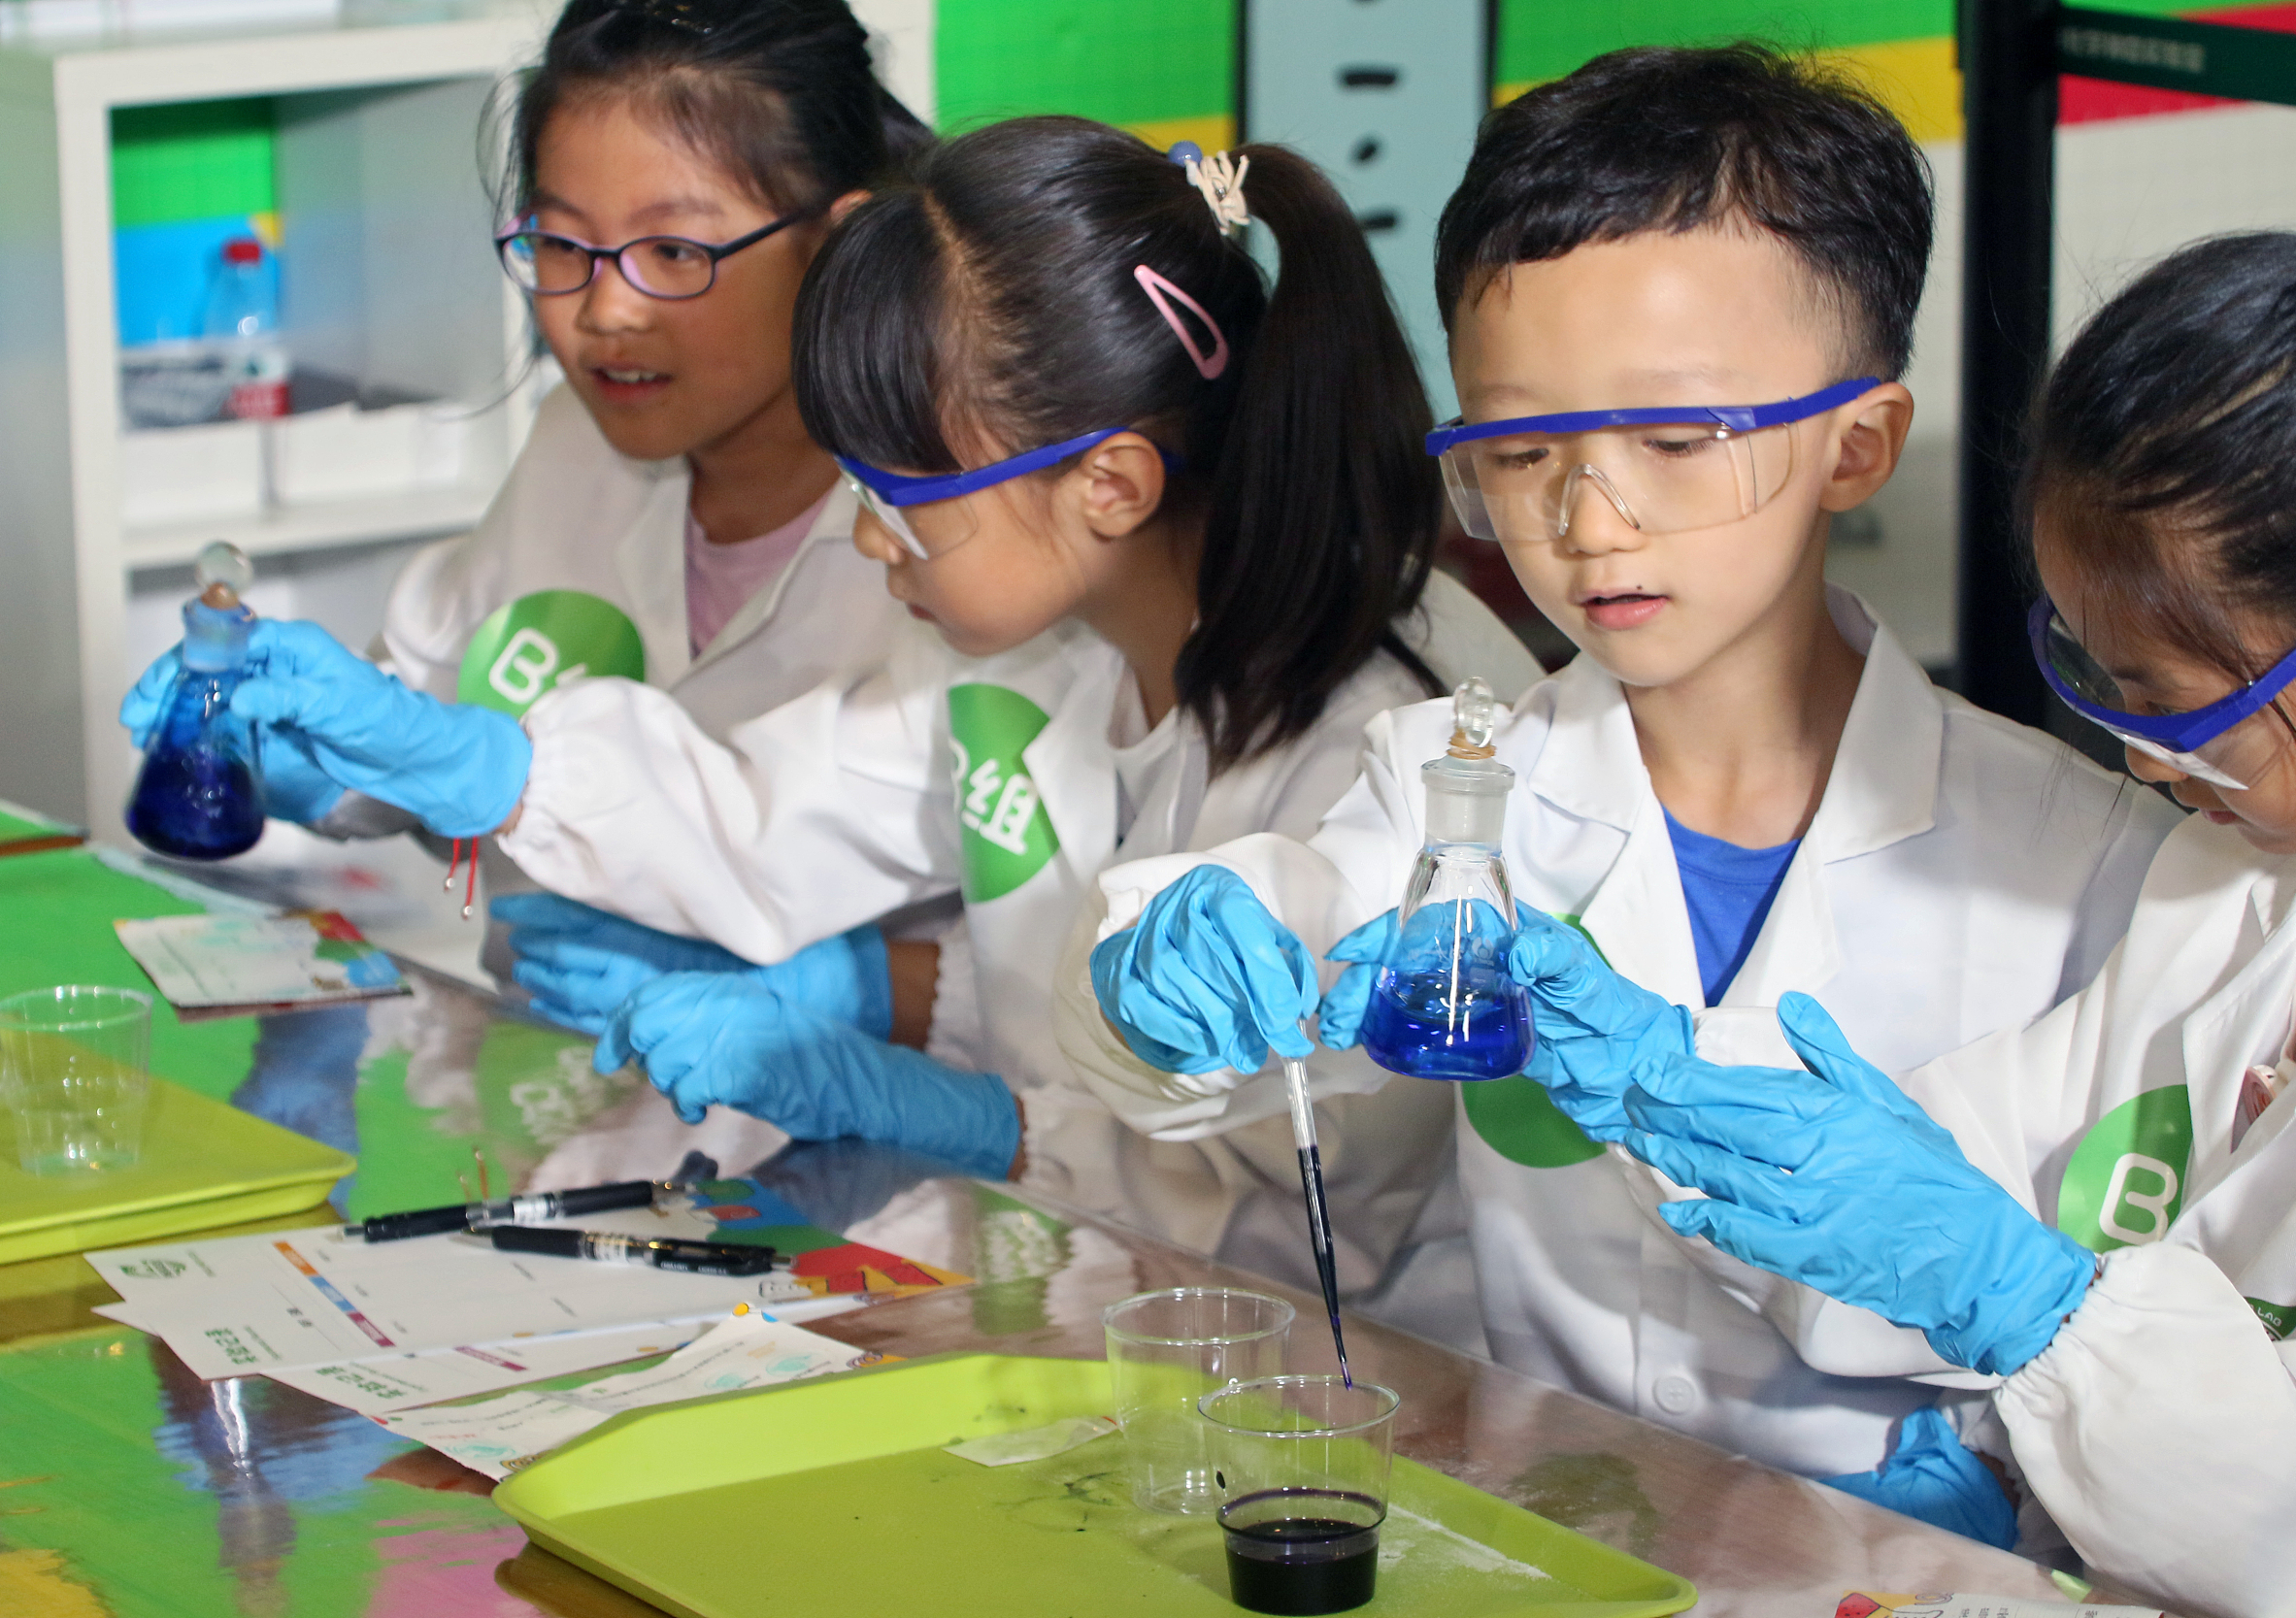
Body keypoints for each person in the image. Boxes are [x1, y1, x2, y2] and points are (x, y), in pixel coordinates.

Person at [1074, 45, 2179, 1544]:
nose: (1590, 520)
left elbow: (2129, 1297)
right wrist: (1189, 953)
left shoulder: (2086, 858)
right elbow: (1314, 897)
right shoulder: (1452, 783)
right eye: (1521, 449)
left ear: (1857, 443)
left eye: (1674, 440)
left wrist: (2011, 1480)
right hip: (1559, 1539)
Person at [162, 117, 1539, 1291]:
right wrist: (451, 756)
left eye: (901, 498)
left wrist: (955, 1108)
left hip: (1383, 1389)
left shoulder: (1390, 738)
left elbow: (1304, 1220)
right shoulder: (1040, 643)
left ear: (1109, 484)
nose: (868, 539)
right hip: (1089, 1301)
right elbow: (762, 813)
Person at [1565, 219, 2296, 1616]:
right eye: (2101, 679)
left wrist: (2039, 1317)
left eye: (2172, 702)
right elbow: (1976, 1172)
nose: (2142, 757)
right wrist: (1671, 1083)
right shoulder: (2234, 887)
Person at [121, 0, 934, 1002]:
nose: (605, 311)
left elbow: (822, 843)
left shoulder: (948, 530)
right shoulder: (576, 448)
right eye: (561, 244)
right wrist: (319, 749)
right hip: (558, 1069)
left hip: (866, 1098)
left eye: (677, 252)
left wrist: (863, 993)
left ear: (835, 244)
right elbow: (441, 715)